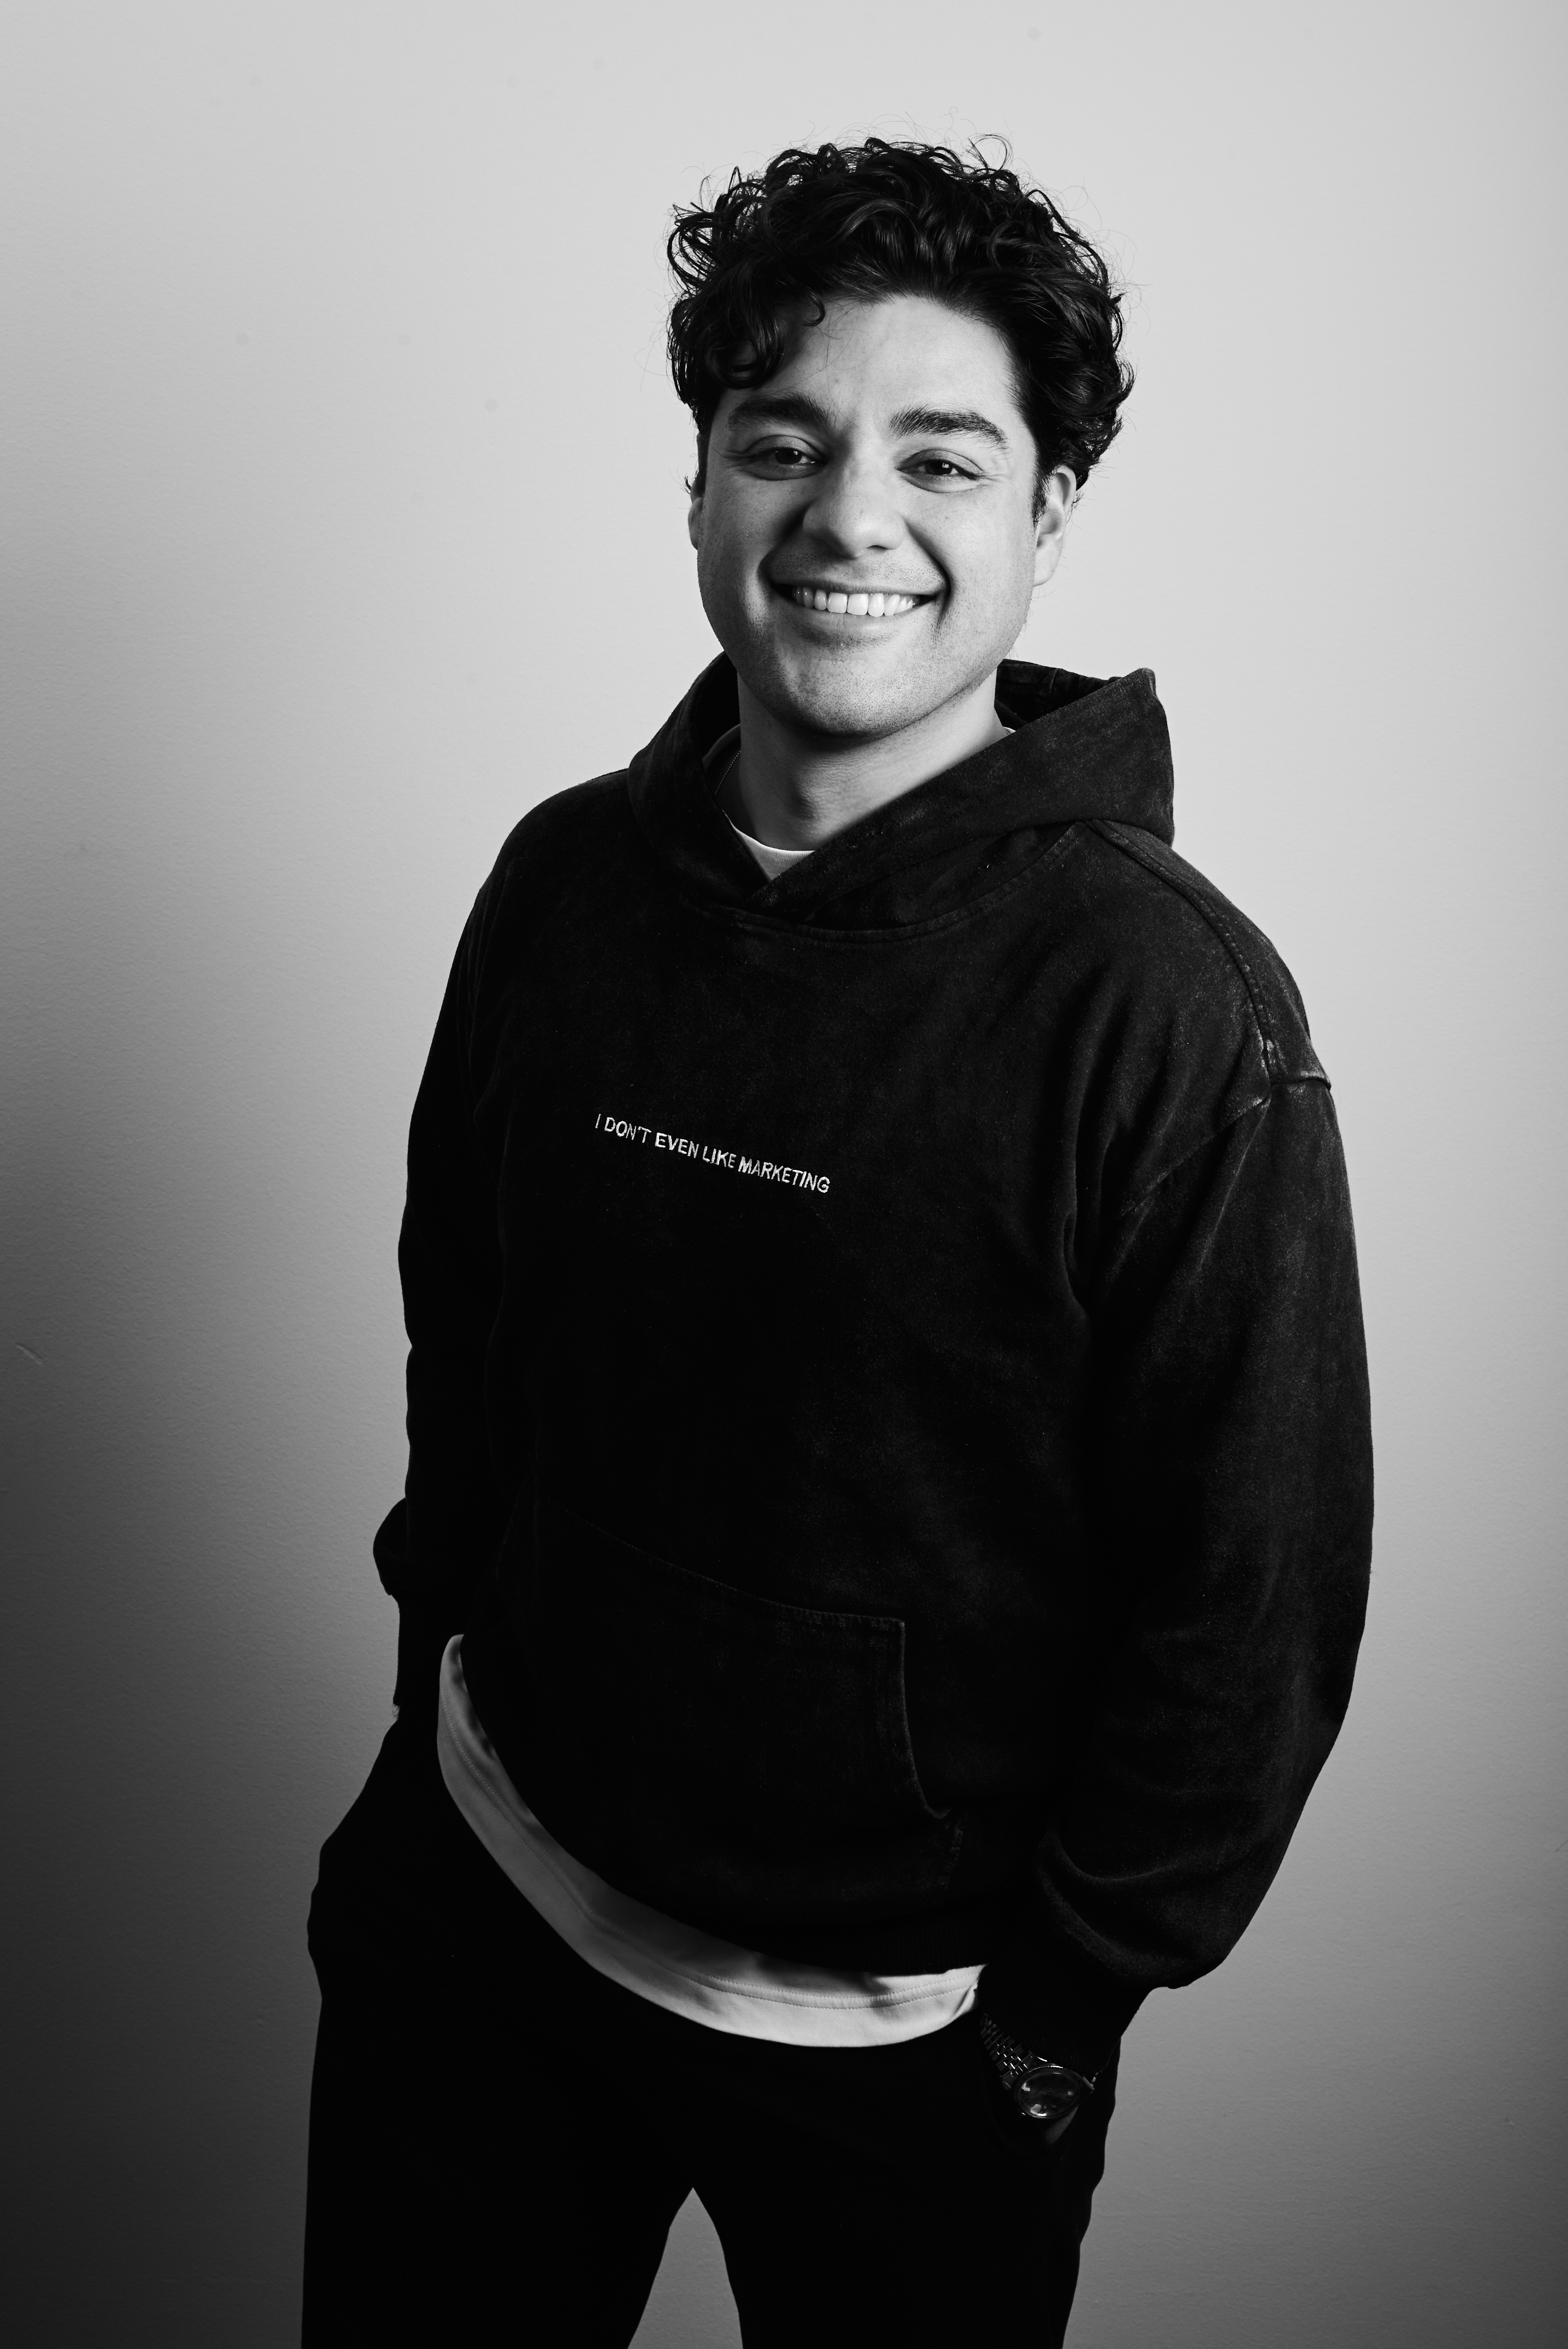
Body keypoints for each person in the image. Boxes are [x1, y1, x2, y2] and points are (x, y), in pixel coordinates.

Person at [302, 139, 1372, 2347]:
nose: (848, 516)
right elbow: (467, 1345)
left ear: (1047, 513)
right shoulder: (565, 886)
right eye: (780, 443)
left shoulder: (1167, 1009)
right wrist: (429, 1723)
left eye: (941, 457)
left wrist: (1059, 2017)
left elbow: (1249, 1595)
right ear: (701, 487)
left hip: (912, 2050)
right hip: (480, 1917)